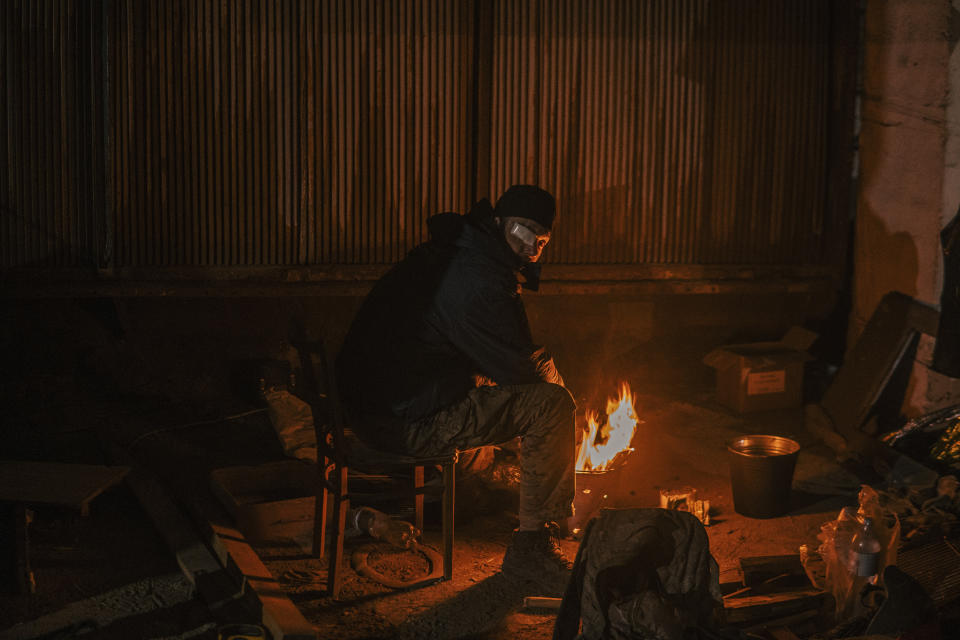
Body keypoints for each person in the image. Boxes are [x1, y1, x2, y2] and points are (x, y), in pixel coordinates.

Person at [335, 184, 576, 583]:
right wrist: (568, 400)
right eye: (523, 230)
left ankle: (454, 501)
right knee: (552, 407)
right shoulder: (476, 275)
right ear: (498, 222)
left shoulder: (457, 253)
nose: (531, 244)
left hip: (379, 405)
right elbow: (524, 370)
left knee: (494, 426)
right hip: (400, 421)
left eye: (542, 238)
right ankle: (532, 549)